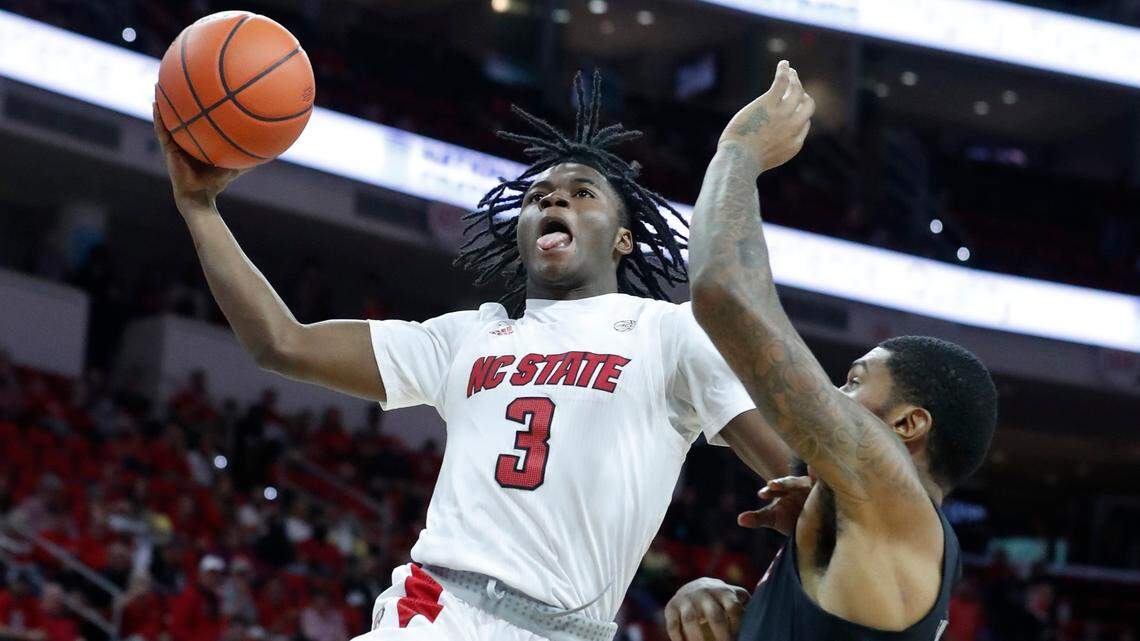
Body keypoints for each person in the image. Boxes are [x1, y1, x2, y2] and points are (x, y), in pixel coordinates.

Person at [151, 70, 794, 641]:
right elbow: (280, 342)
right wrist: (198, 207)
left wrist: (755, 594)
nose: (552, 198)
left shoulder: (670, 333)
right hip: (437, 610)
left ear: (624, 238)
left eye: (581, 192)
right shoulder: (466, 337)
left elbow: (800, 480)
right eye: (538, 195)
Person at [664, 60, 998, 641]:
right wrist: (718, 605)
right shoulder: (885, 529)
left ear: (908, 424)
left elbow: (722, 292)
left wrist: (740, 151)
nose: (832, 395)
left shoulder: (886, 481)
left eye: (852, 381)